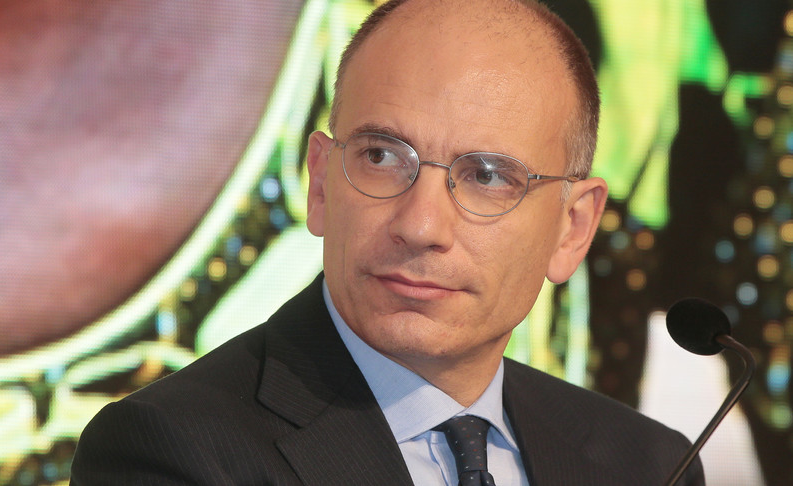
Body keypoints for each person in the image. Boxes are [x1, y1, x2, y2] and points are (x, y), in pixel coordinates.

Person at [70, 0, 705, 484]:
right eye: (381, 157)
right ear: (321, 184)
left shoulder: (650, 465)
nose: (420, 226)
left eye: (487, 177)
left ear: (573, 229)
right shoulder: (170, 451)